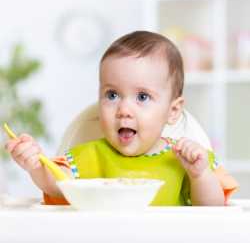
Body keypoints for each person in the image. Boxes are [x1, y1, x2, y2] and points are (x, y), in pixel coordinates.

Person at [5, 31, 238, 206]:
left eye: (143, 96)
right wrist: (35, 165)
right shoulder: (91, 156)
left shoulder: (186, 160)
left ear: (173, 111)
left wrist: (200, 175)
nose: (124, 109)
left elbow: (212, 211)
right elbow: (56, 184)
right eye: (112, 95)